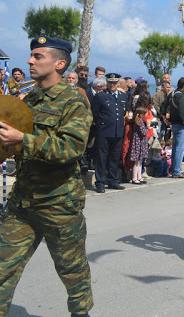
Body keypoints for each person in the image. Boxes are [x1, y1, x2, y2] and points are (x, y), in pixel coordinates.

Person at [0, 36, 94, 316]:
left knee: (72, 270)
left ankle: (81, 314)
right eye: (31, 56)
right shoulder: (30, 98)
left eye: (38, 56)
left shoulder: (74, 100)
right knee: (3, 267)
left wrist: (22, 139)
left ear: (59, 63)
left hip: (59, 203)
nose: (29, 60)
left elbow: (70, 149)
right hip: (23, 202)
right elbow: (13, 146)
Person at [92, 73, 129, 193]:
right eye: (110, 82)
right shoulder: (101, 96)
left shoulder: (123, 96)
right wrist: (101, 125)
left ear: (118, 83)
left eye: (114, 82)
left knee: (114, 157)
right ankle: (100, 182)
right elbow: (95, 114)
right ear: (107, 83)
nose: (112, 85)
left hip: (118, 131)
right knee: (102, 158)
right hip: (104, 131)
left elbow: (124, 113)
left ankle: (113, 180)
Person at [168, 77, 184, 179]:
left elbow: (163, 106)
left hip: (174, 123)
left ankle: (174, 170)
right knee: (179, 149)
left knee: (175, 148)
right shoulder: (181, 97)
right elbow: (183, 113)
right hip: (181, 125)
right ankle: (177, 171)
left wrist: (165, 118)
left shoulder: (172, 94)